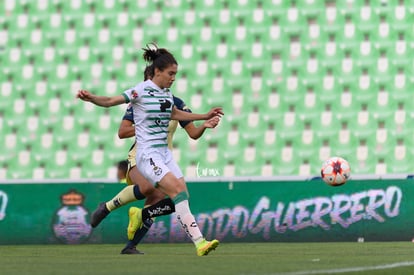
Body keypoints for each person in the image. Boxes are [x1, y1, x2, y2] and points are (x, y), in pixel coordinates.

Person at [77, 44, 223, 256]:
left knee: (182, 196)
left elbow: (175, 114)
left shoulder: (168, 94)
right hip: (147, 155)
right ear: (157, 72)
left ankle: (144, 218)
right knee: (169, 191)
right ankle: (200, 243)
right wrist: (91, 98)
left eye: (175, 74)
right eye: (171, 74)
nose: (173, 78)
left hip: (164, 154)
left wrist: (204, 117)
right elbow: (110, 101)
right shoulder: (140, 90)